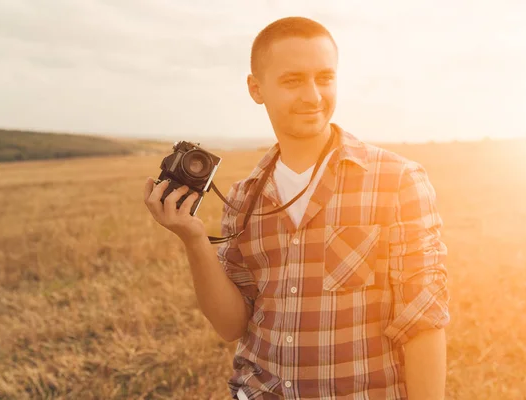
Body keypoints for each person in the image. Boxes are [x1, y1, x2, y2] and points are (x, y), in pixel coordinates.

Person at [144, 16, 450, 400]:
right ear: (256, 88)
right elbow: (231, 325)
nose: (312, 95)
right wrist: (193, 240)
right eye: (292, 80)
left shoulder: (397, 180)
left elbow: (423, 323)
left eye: (324, 78)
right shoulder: (242, 197)